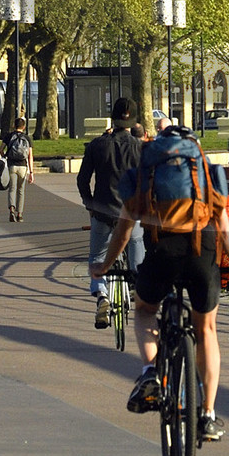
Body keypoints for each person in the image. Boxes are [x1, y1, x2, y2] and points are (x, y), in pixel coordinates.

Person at [99, 119, 229, 444]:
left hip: (162, 251)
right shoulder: (206, 169)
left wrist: (105, 265)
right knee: (206, 329)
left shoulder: (146, 169)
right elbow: (224, 227)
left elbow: (125, 228)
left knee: (144, 309)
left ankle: (151, 370)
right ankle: (208, 415)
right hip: (201, 252)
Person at [80, 98, 142, 329]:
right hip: (131, 212)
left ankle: (102, 293)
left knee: (97, 258)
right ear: (133, 120)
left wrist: (90, 204)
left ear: (112, 117)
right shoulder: (139, 147)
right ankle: (136, 281)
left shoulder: (96, 145)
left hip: (103, 210)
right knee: (137, 243)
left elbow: (82, 180)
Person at [1, 117, 34, 222]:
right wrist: (31, 172)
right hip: (23, 167)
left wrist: (5, 157)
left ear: (14, 126)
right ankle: (20, 214)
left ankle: (11, 210)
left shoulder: (9, 136)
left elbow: (0, 149)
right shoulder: (27, 138)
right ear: (23, 127)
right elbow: (30, 156)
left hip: (12, 166)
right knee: (21, 190)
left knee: (12, 188)